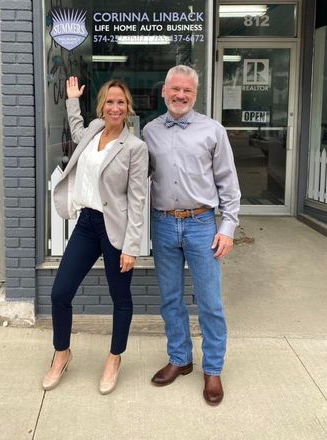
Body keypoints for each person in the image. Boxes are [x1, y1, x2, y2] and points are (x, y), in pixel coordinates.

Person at [42, 76, 148, 394]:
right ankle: (62, 353)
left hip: (114, 230)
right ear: (102, 105)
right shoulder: (92, 130)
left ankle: (115, 358)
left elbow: (138, 200)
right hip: (87, 225)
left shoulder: (135, 148)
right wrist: (72, 100)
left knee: (121, 299)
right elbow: (76, 132)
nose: (115, 107)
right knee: (60, 293)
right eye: (109, 101)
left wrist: (131, 247)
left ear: (128, 108)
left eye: (121, 102)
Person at [142, 65, 240, 405]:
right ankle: (180, 359)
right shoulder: (150, 130)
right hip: (164, 223)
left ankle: (212, 369)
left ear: (195, 95)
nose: (180, 95)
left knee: (210, 303)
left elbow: (229, 184)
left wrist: (227, 228)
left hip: (202, 226)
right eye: (175, 89)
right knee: (170, 299)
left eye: (187, 91)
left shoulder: (212, 131)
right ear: (164, 92)